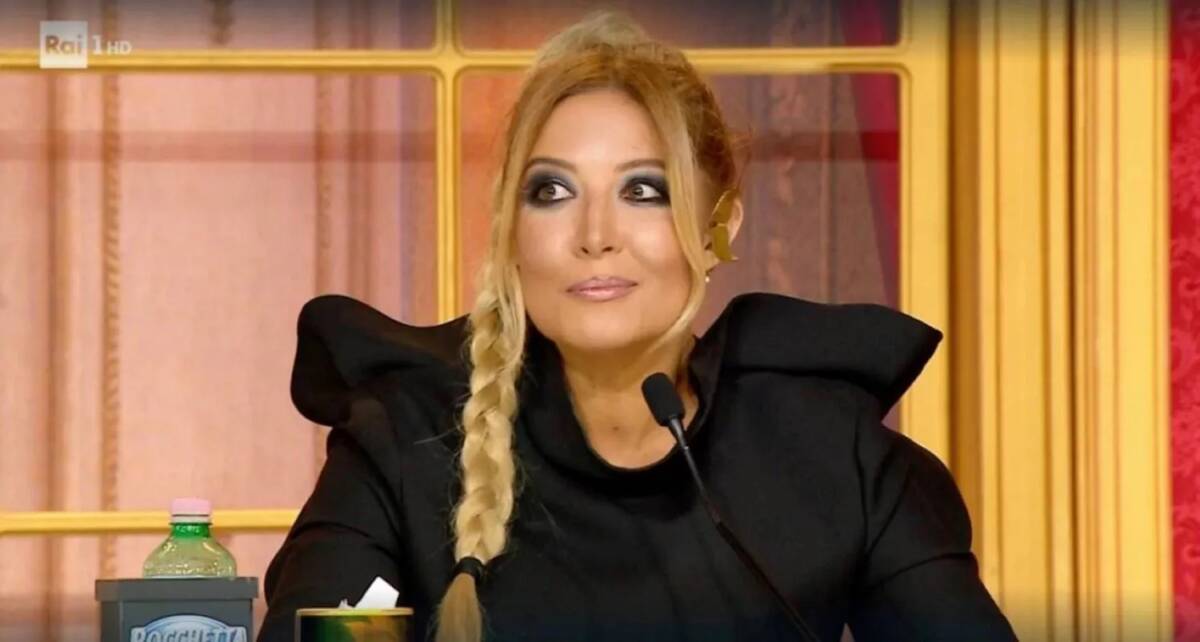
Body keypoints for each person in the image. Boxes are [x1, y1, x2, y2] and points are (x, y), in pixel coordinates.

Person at [258, 12, 1016, 642]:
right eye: (552, 192)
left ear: (718, 229)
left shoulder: (832, 451)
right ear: (512, 234)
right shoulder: (403, 440)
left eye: (644, 191)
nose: (596, 235)